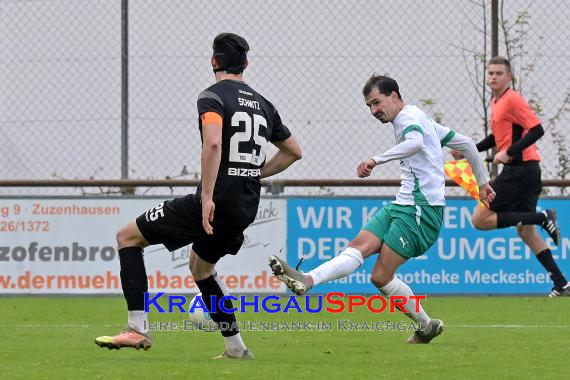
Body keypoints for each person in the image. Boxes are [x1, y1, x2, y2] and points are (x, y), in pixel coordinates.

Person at [95, 32, 302, 358]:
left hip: (216, 200)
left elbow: (214, 143)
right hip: (246, 206)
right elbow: (293, 151)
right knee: (201, 268)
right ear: (245, 64)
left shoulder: (212, 97)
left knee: (127, 238)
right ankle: (236, 348)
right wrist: (254, 172)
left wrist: (206, 197)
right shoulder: (264, 105)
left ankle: (137, 329)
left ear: (213, 61)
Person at [270, 74, 495, 344]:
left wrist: (375, 160)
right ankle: (307, 280)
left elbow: (415, 143)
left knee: (380, 276)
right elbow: (468, 145)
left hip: (421, 211)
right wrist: (482, 183)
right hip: (403, 204)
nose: (374, 110)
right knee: (357, 246)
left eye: (377, 102)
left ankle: (426, 326)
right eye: (369, 106)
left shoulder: (407, 119)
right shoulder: (420, 117)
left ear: (395, 96)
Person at [452, 56, 569, 297]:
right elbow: (497, 137)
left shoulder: (513, 99)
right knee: (526, 231)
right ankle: (561, 283)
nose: (493, 76)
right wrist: (469, 150)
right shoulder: (498, 101)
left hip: (520, 171)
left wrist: (510, 152)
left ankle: (542, 216)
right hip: (526, 172)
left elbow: (537, 129)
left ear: (509, 77)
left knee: (479, 219)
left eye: (498, 73)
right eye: (491, 73)